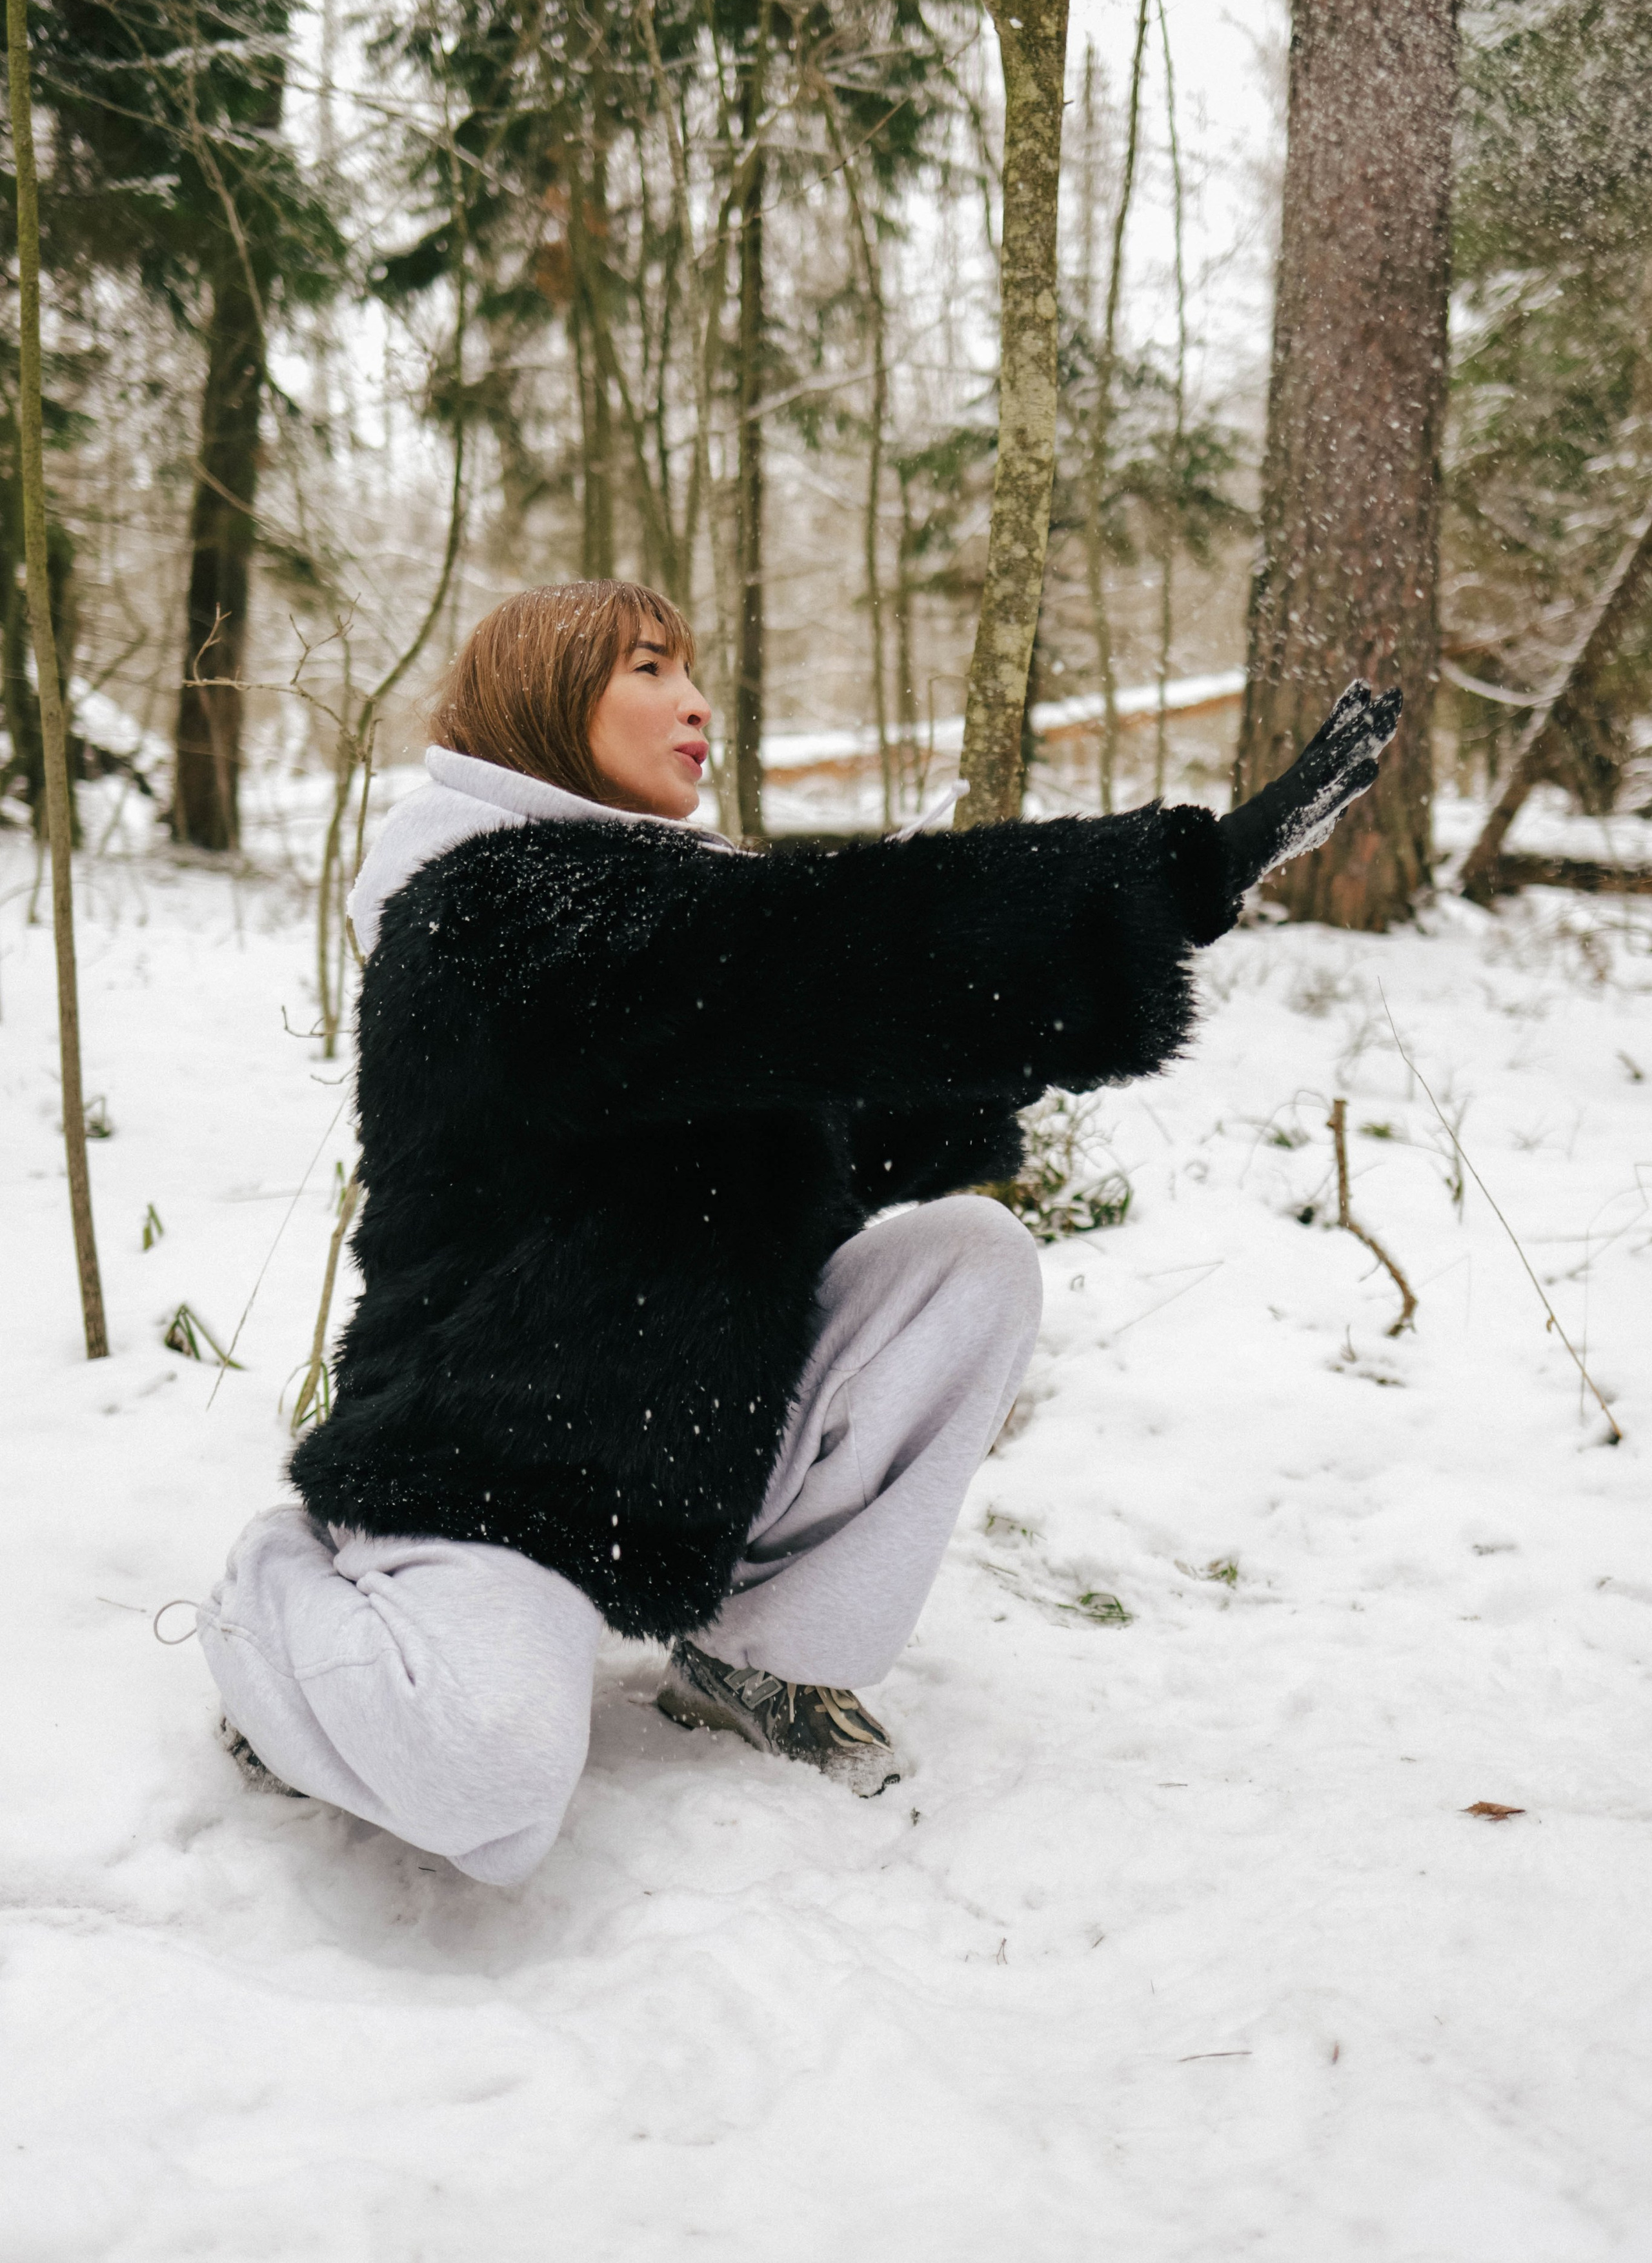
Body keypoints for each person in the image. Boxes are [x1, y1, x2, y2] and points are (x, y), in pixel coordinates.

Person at [197, 580, 1400, 1885]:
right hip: (496, 1473)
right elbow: (798, 957)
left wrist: (1079, 979)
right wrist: (1157, 883)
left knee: (969, 1259)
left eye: (690, 668)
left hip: (693, 1437)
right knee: (488, 1774)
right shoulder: (482, 915)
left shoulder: (670, 911)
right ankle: (276, 1606)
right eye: (648, 667)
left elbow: (832, 1126)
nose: (696, 699)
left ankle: (753, 1659)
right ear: (542, 701)